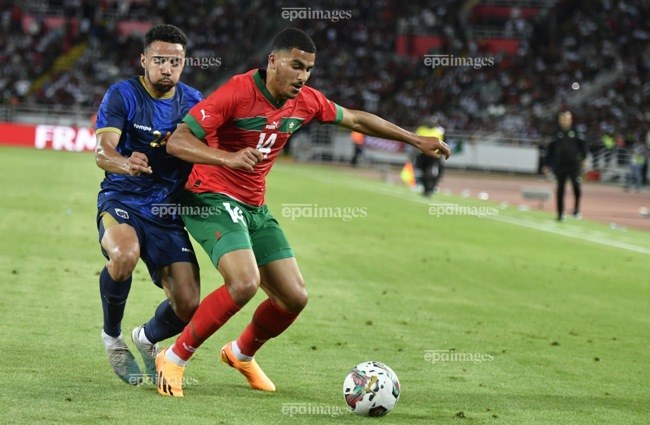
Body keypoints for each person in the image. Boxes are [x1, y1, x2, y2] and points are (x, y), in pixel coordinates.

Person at [154, 28, 450, 397]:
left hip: (254, 206)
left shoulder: (306, 101)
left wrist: (414, 139)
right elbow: (178, 140)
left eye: (308, 69)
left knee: (293, 297)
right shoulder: (237, 92)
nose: (303, 76)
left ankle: (240, 354)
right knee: (244, 283)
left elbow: (356, 119)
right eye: (296, 66)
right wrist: (227, 157)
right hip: (209, 197)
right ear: (272, 61)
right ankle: (174, 357)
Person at [94, 24, 202, 385]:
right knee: (123, 255)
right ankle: (112, 337)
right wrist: (126, 163)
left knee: (188, 304)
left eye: (175, 61)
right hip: (122, 198)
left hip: (166, 210)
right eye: (159, 60)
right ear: (143, 60)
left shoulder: (194, 102)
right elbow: (102, 151)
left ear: (183, 64)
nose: (167, 68)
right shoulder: (122, 94)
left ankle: (145, 337)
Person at [545, 110, 587, 221]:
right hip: (560, 165)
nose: (564, 121)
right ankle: (560, 213)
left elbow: (583, 147)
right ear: (560, 120)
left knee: (576, 186)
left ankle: (576, 210)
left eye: (566, 119)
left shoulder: (576, 132)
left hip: (574, 165)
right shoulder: (556, 134)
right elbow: (550, 150)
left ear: (570, 120)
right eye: (562, 119)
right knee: (560, 189)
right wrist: (547, 164)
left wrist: (583, 159)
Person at [415, 117, 445, 196]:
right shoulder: (421, 129)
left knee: (432, 172)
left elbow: (444, 142)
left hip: (434, 155)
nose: (431, 123)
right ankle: (426, 189)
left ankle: (432, 187)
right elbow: (416, 141)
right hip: (422, 155)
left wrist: (441, 154)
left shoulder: (440, 131)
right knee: (422, 172)